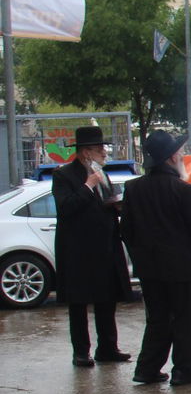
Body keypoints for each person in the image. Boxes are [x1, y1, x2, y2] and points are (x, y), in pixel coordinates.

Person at [120, 130, 191, 386]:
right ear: (171, 158)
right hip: (181, 267)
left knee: (157, 319)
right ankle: (182, 370)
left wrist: (140, 255)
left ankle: (147, 369)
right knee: (184, 320)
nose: (181, 156)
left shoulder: (133, 188)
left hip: (149, 267)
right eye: (179, 152)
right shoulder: (183, 189)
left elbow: (125, 230)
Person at [53, 125, 131, 368]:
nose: (104, 153)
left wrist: (117, 206)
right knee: (79, 303)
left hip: (105, 248)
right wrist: (87, 185)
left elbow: (104, 202)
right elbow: (66, 208)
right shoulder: (64, 175)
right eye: (99, 149)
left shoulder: (102, 173)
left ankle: (107, 348)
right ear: (86, 152)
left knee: (107, 300)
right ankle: (81, 352)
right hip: (79, 251)